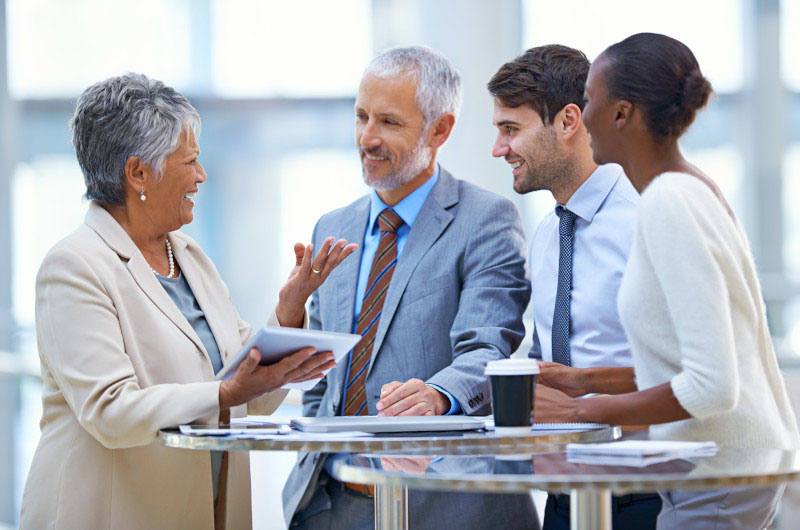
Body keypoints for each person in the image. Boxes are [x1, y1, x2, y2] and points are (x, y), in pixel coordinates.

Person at [19, 73, 356, 530]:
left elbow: (250, 390)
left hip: (206, 509)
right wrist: (224, 393)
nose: (201, 175)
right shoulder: (74, 266)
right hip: (111, 514)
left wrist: (290, 310)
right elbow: (111, 410)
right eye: (191, 161)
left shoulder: (189, 255)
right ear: (138, 172)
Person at [535, 33, 800, 528]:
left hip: (716, 473)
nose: (583, 113)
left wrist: (584, 412)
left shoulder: (668, 202)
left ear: (622, 113)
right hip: (725, 468)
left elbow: (711, 386)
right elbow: (706, 357)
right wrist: (582, 380)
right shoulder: (691, 187)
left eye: (590, 98)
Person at [282, 46, 536, 529]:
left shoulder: (486, 220)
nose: (366, 137)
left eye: (389, 123)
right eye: (360, 117)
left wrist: (439, 394)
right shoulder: (331, 228)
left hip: (443, 503)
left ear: (440, 129)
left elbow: (490, 350)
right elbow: (320, 377)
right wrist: (288, 318)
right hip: (330, 502)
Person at [488, 44, 660, 530]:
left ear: (568, 122)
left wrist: (582, 403)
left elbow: (691, 374)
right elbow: (548, 367)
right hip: (562, 502)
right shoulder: (546, 235)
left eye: (510, 129)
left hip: (646, 501)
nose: (499, 149)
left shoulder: (647, 222)